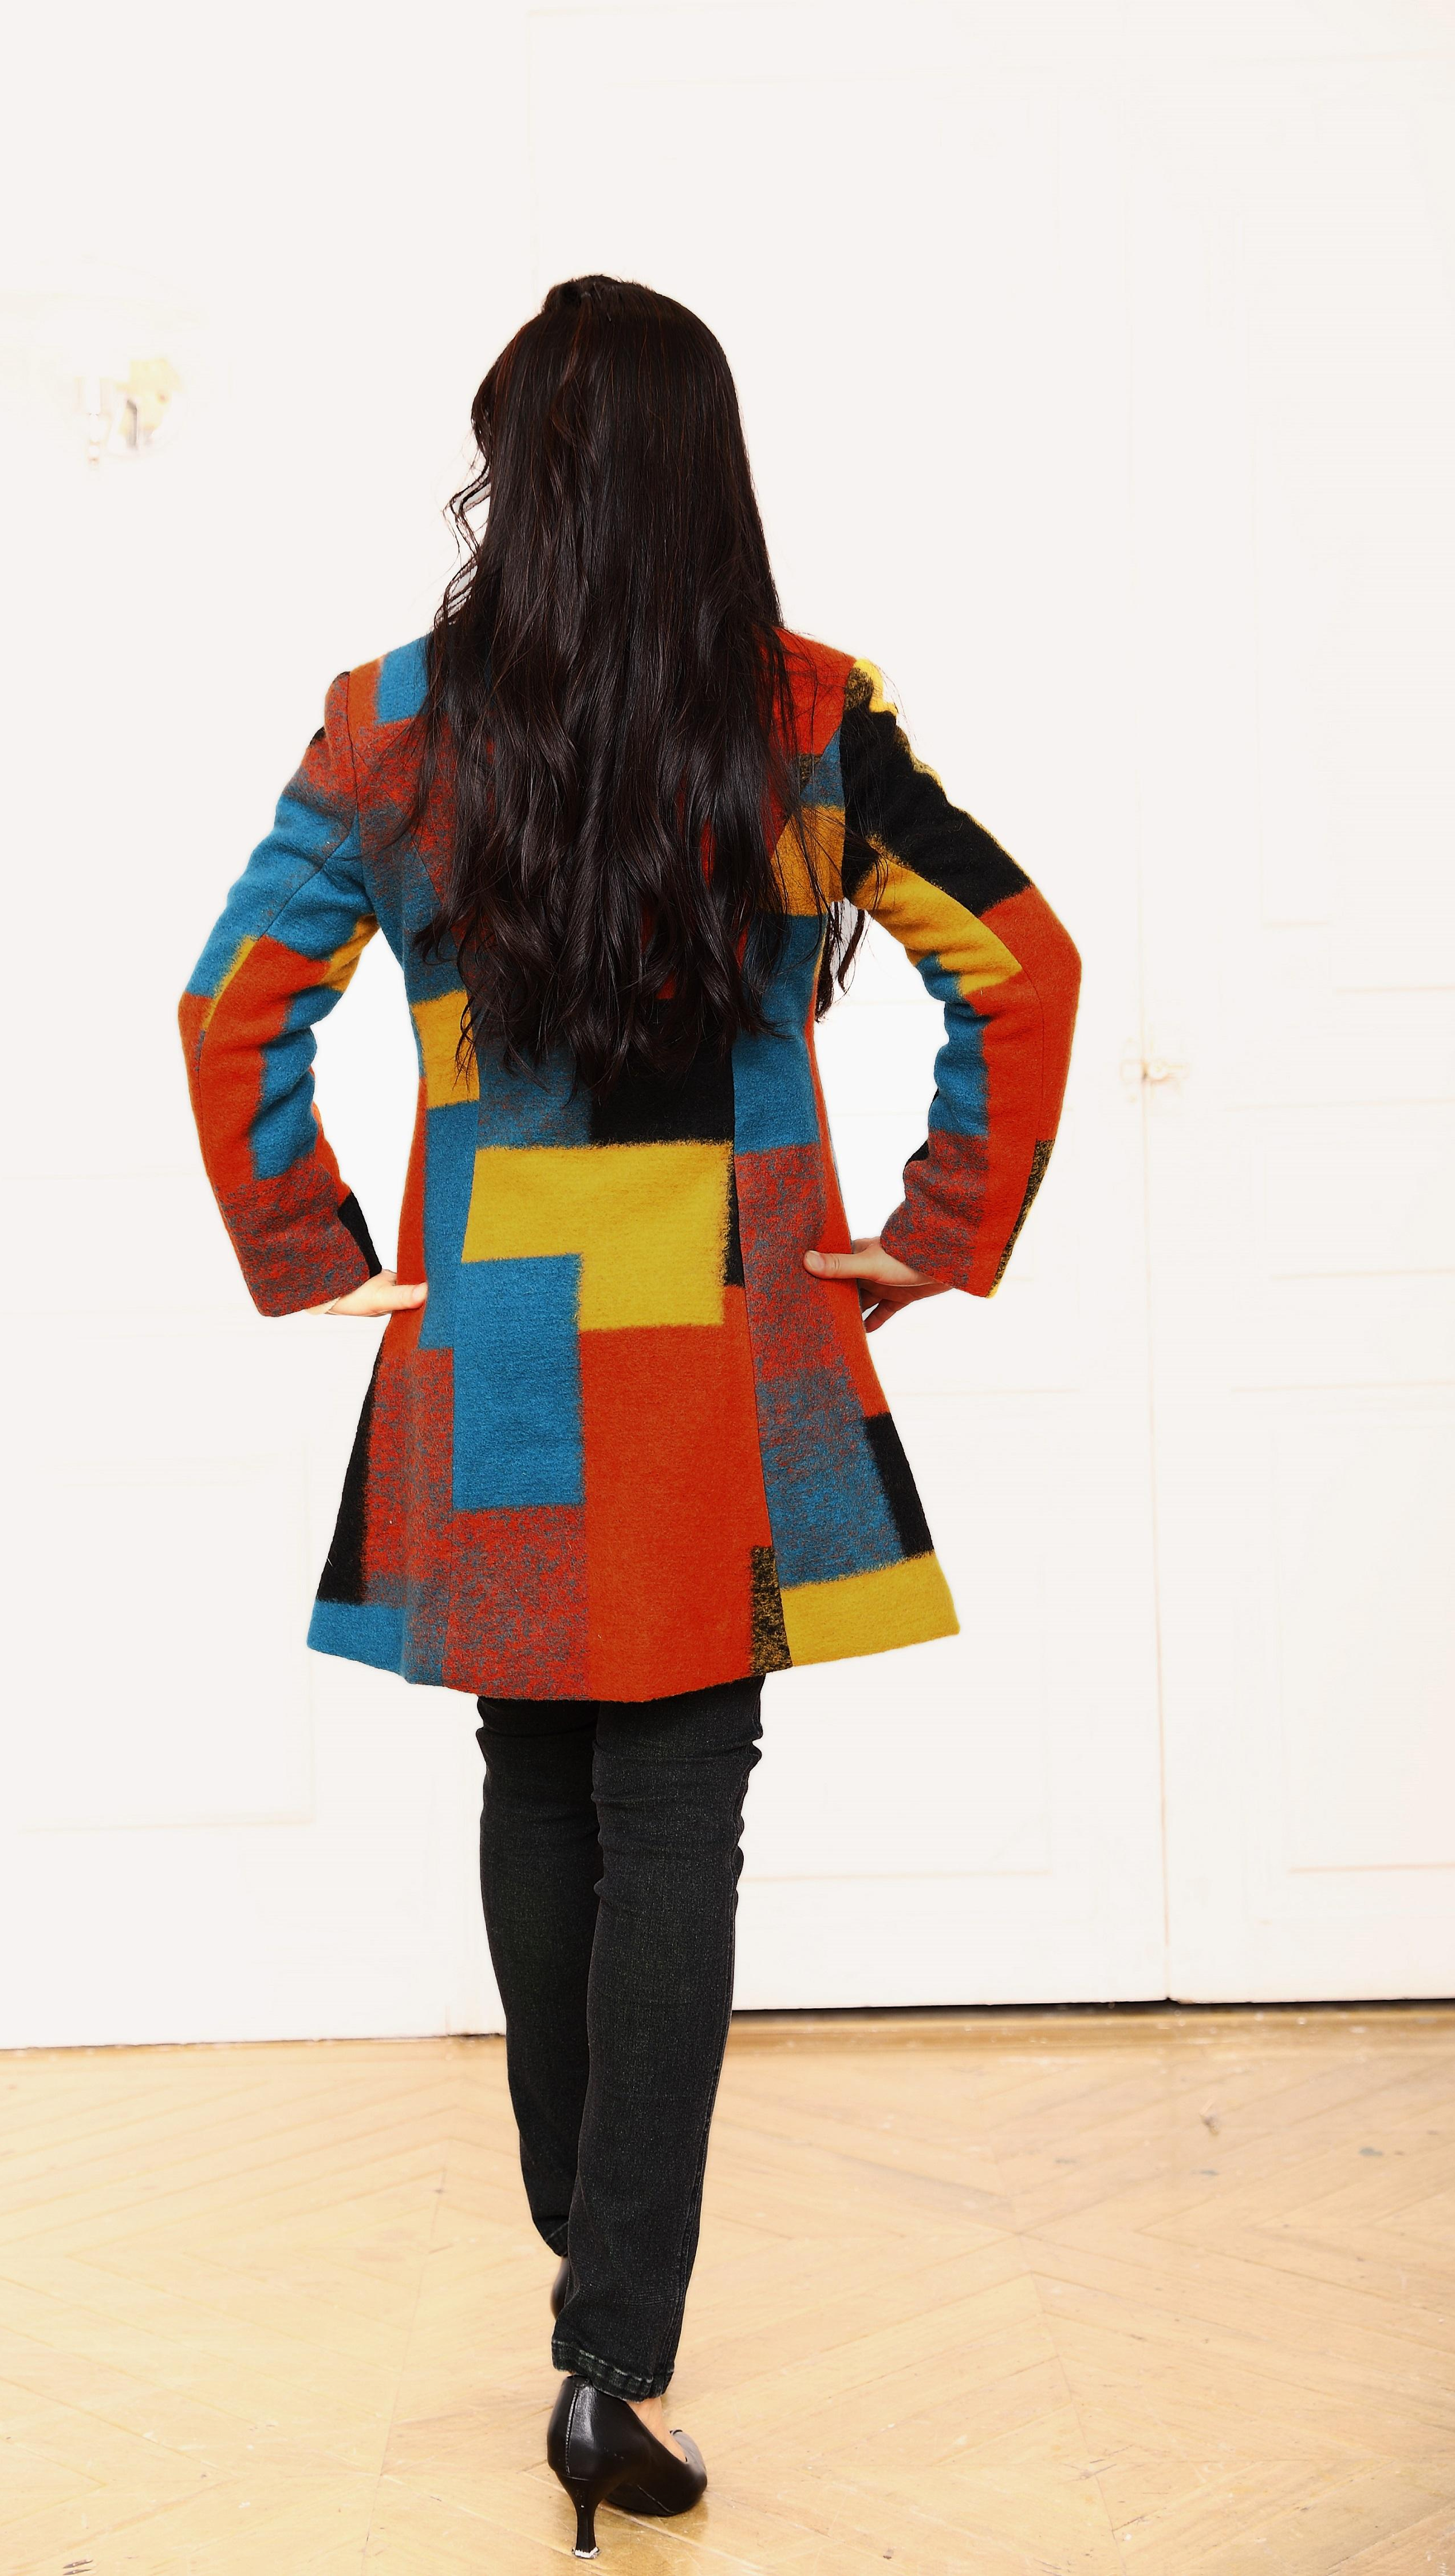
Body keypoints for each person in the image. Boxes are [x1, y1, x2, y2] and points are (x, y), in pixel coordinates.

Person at [179, 274, 1079, 2560]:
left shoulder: (394, 728)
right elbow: (1020, 961)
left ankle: (585, 2246)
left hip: (499, 1324)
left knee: (538, 1772)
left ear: (518, 476)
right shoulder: (807, 719)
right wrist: (937, 1228)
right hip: (722, 1336)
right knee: (680, 1808)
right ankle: (612, 2343)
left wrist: (311, 1244)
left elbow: (230, 1002)